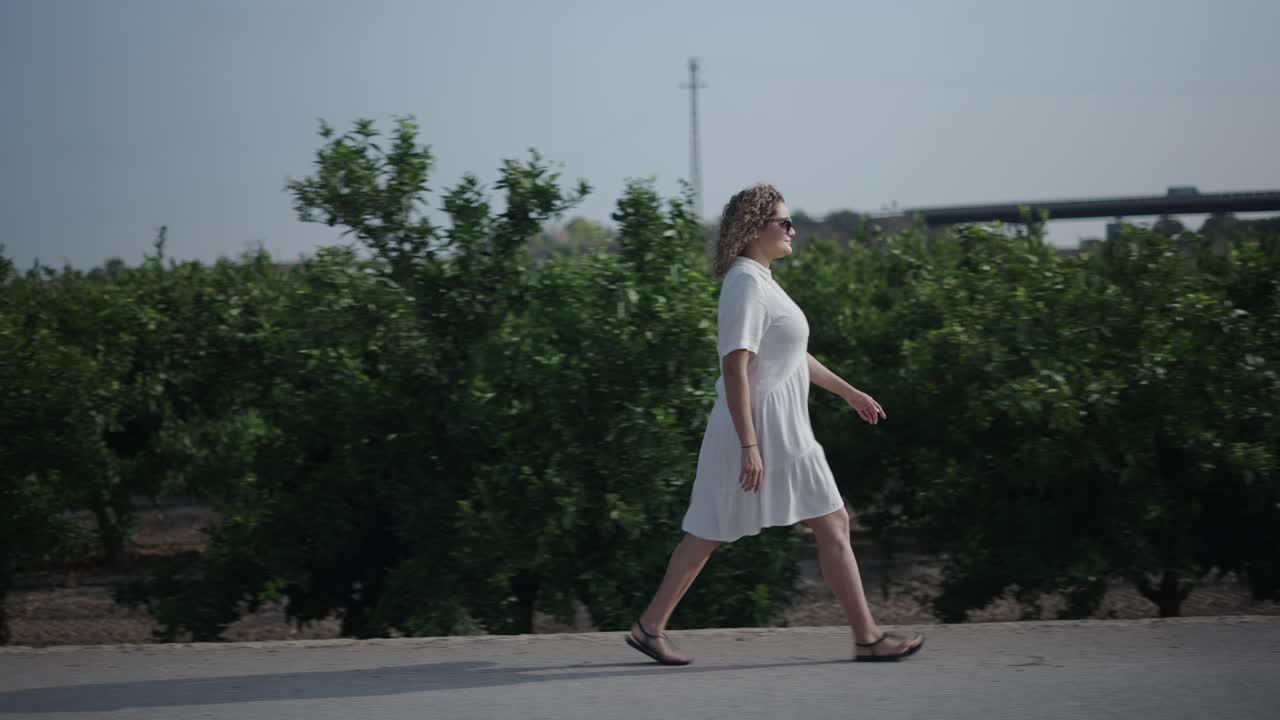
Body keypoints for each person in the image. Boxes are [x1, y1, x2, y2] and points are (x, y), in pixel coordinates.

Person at [625, 183, 924, 665]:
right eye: (783, 222)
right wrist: (749, 445)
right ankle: (866, 638)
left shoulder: (762, 280)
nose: (793, 229)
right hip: (756, 431)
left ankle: (649, 628)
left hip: (782, 430)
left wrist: (849, 392)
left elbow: (791, 356)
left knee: (821, 522)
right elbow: (735, 365)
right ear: (752, 228)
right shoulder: (744, 282)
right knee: (712, 528)